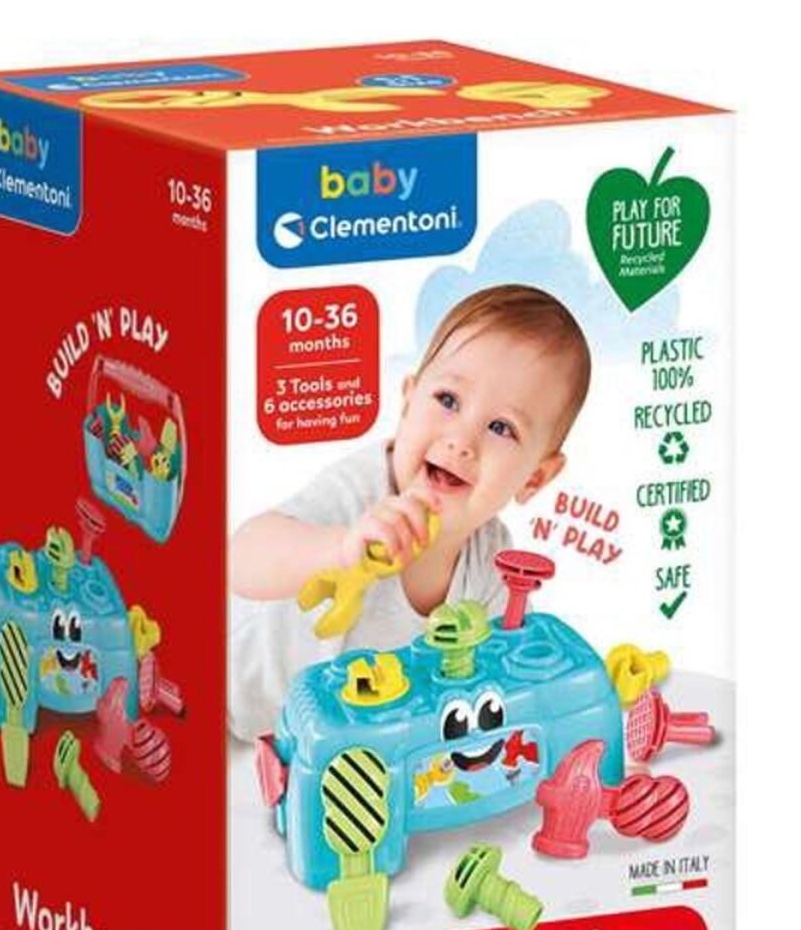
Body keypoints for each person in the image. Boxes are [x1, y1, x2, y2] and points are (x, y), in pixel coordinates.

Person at [227, 284, 593, 742]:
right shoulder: (362, 492)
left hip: (323, 742)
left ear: (534, 478)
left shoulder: (492, 563)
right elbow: (241, 559)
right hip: (222, 694)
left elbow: (494, 678)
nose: (461, 440)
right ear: (407, 402)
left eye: (501, 427)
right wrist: (340, 549)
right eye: (448, 400)